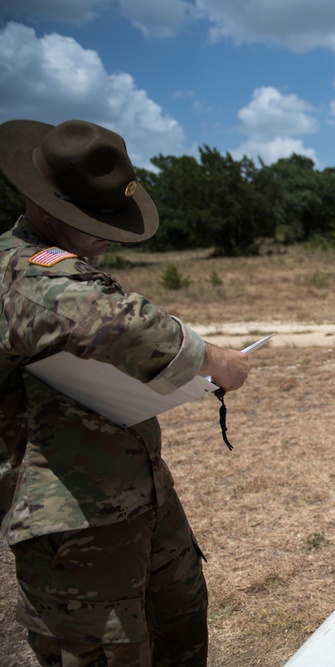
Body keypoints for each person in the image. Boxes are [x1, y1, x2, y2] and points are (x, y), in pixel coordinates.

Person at [0, 119, 252, 666]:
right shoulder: (23, 272)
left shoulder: (64, 264)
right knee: (105, 651)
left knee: (178, 627)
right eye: (93, 221)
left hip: (139, 494)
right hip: (70, 520)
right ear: (44, 206)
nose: (107, 236)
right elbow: (113, 321)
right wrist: (215, 360)